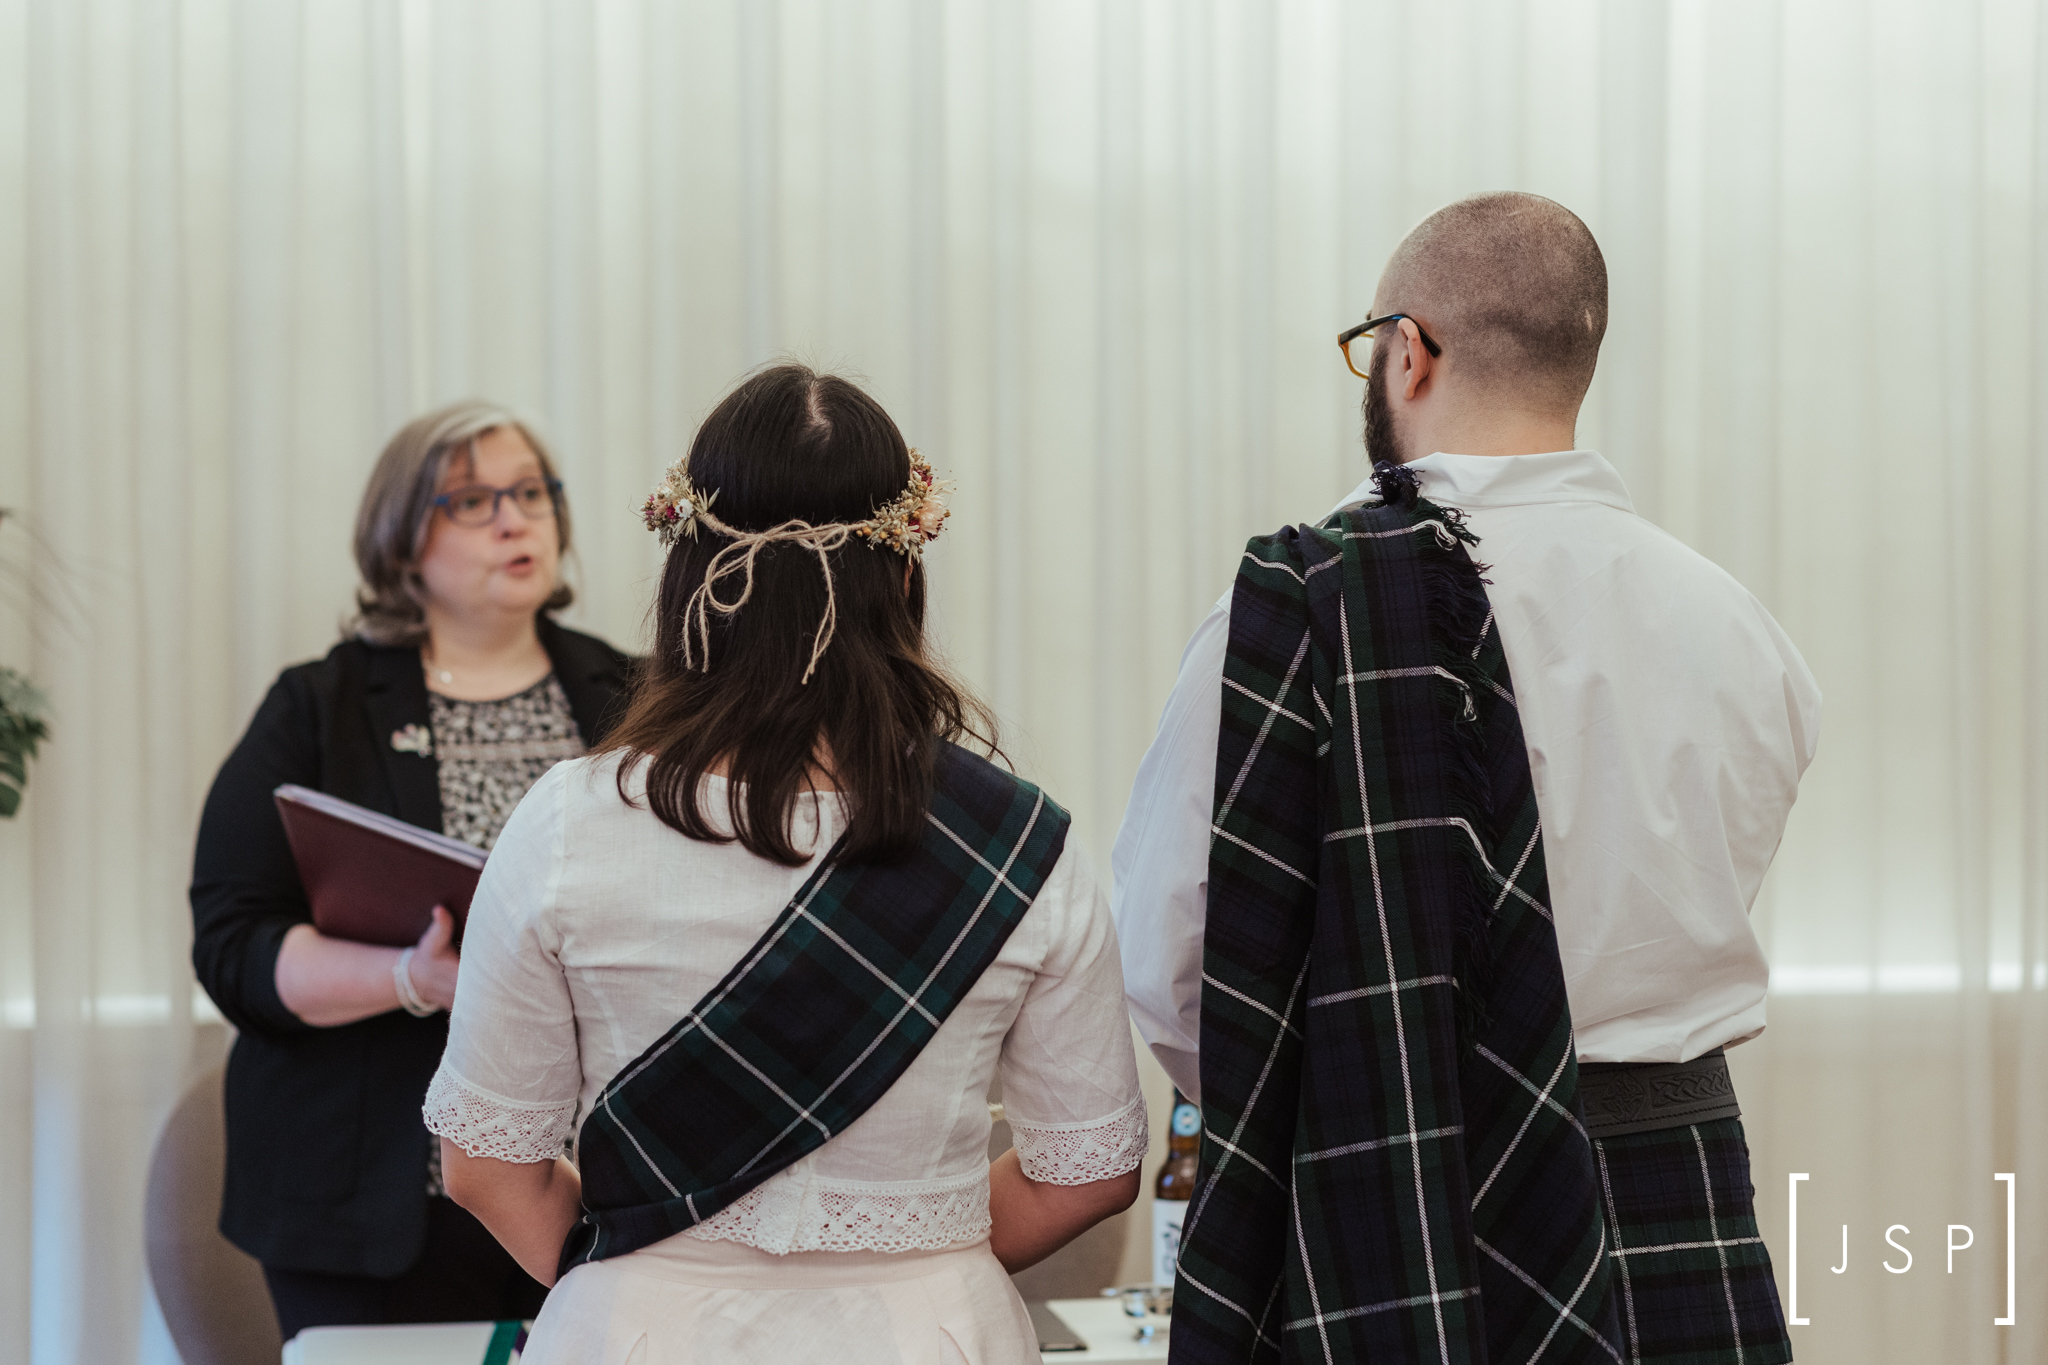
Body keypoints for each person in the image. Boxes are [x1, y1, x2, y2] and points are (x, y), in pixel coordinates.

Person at [1114, 192, 1819, 1365]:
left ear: (1408, 349)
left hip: (1386, 1186)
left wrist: (1335, 1099)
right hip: (1670, 1191)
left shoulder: (1293, 609)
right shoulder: (1737, 628)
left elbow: (1169, 952)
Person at [424, 365, 1147, 1365]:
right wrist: (919, 1257)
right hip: (928, 1335)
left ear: (691, 576)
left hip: (640, 1335)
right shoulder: (1020, 843)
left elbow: (484, 1167)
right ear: (903, 579)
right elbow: (1089, 1172)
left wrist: (630, 1270)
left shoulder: (566, 825)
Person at [189, 401, 635, 1339]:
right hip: (378, 1196)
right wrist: (412, 975)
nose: (514, 520)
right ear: (400, 540)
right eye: (472, 500)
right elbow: (235, 945)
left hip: (608, 1192)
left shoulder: (640, 699)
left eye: (530, 492)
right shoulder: (319, 707)